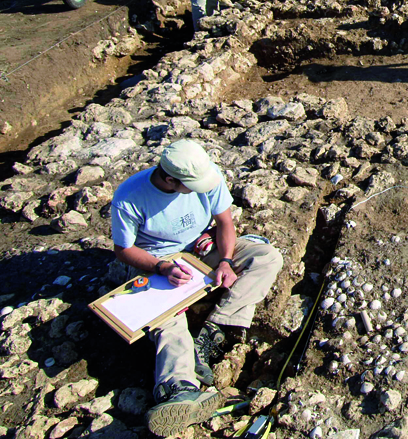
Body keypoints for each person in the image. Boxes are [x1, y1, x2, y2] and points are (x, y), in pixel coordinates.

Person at [109, 140, 283, 437]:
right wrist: (160, 267)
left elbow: (225, 222)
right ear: (169, 179)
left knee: (267, 257)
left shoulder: (205, 175)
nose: (200, 189)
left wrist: (226, 261)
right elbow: (123, 249)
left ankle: (213, 330)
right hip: (158, 261)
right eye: (191, 186)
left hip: (203, 248)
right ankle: (178, 387)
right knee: (166, 315)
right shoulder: (130, 197)